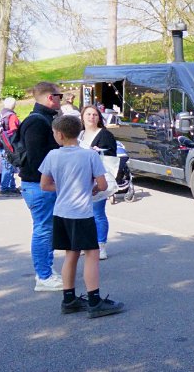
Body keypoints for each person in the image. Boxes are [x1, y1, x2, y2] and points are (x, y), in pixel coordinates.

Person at [40, 115, 124, 318]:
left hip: (61, 212)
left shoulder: (52, 155)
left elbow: (45, 185)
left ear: (59, 135)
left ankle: (68, 298)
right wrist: (93, 188)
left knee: (71, 254)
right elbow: (103, 185)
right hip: (81, 212)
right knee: (92, 254)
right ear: (78, 133)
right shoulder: (89, 156)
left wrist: (63, 187)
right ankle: (94, 300)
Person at [19, 82, 64, 292]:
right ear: (49, 98)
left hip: (41, 185)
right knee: (43, 230)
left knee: (47, 229)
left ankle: (47, 271)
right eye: (59, 96)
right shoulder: (37, 122)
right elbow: (38, 159)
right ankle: (43, 276)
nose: (61, 99)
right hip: (38, 185)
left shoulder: (45, 119)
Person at [78, 105, 118, 260]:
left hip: (98, 179)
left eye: (94, 114)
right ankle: (86, 243)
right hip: (81, 180)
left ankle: (101, 244)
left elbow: (111, 157)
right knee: (82, 214)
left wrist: (97, 152)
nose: (91, 117)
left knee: (97, 212)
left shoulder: (105, 135)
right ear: (82, 117)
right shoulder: (79, 134)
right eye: (88, 114)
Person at [0, 97, 21, 197]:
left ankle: (11, 186)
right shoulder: (12, 116)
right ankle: (5, 188)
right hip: (8, 144)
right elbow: (14, 130)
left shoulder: (0, 114)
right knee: (8, 165)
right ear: (14, 105)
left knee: (7, 165)